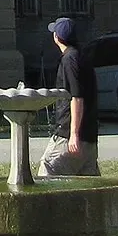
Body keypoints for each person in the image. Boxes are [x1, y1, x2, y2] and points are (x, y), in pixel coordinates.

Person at [39, 16, 100, 176]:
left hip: (68, 137)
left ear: (56, 37)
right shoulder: (82, 57)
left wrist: (73, 134)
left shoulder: (69, 59)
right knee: (88, 188)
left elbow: (77, 97)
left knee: (48, 169)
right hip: (89, 137)